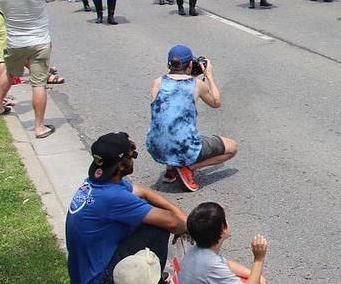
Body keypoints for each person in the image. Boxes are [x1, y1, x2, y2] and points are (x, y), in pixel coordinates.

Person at [66, 131, 187, 284]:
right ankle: (152, 279)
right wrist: (186, 225)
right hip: (100, 279)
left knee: (148, 212)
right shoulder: (113, 196)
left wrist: (182, 216)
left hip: (85, 274)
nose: (133, 159)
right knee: (158, 228)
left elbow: (143, 192)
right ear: (122, 165)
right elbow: (173, 223)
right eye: (131, 156)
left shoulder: (98, 183)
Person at [145, 45, 238, 192]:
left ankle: (171, 169)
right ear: (190, 64)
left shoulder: (157, 82)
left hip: (155, 148)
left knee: (170, 127)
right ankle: (188, 168)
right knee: (232, 147)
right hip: (184, 147)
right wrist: (208, 75)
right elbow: (216, 102)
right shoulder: (197, 85)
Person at [0, 0, 58, 139]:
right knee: (38, 83)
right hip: (38, 40)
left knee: (9, 72)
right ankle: (39, 126)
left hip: (15, 39)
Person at [179, 202, 269, 284]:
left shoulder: (196, 252)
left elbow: (226, 264)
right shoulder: (212, 265)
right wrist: (259, 259)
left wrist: (255, 276)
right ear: (223, 229)